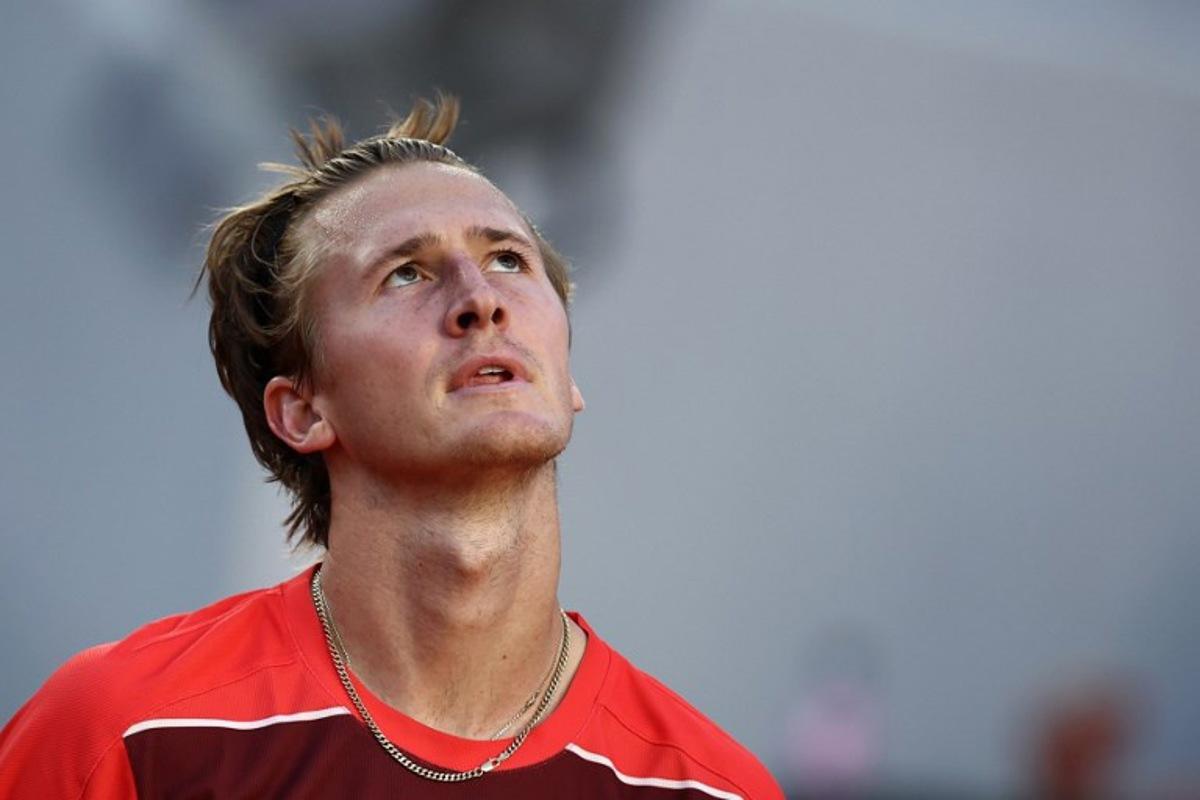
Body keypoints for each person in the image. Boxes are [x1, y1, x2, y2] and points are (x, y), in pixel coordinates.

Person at [0, 95, 783, 798]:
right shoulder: (125, 736)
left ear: (567, 375)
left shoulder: (711, 788)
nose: (482, 301)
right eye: (406, 274)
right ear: (303, 411)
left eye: (508, 260)